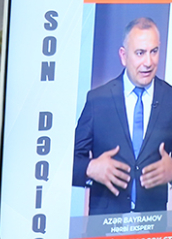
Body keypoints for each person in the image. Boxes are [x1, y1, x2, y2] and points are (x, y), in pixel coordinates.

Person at [73, 17, 172, 215]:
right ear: (123, 56)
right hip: (106, 223)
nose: (148, 62)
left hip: (153, 224)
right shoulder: (97, 100)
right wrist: (90, 168)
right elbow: (67, 161)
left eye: (154, 51)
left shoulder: (170, 98)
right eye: (140, 53)